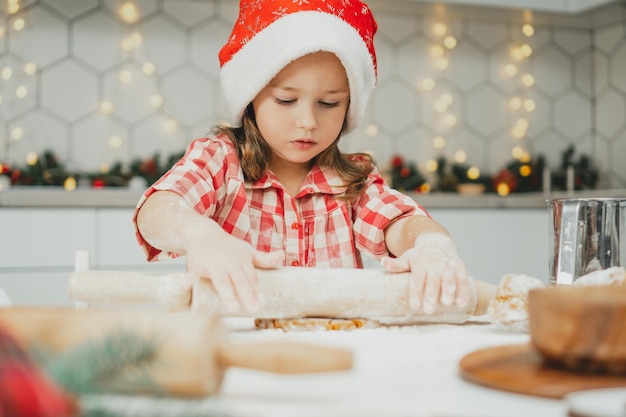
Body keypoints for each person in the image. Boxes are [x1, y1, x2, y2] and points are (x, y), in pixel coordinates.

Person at [133, 0, 470, 316]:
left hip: (332, 356)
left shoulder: (352, 181)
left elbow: (400, 222)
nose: (307, 122)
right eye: (285, 100)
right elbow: (158, 210)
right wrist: (199, 234)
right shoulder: (220, 160)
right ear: (250, 98)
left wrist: (430, 245)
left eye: (329, 103)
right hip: (234, 357)